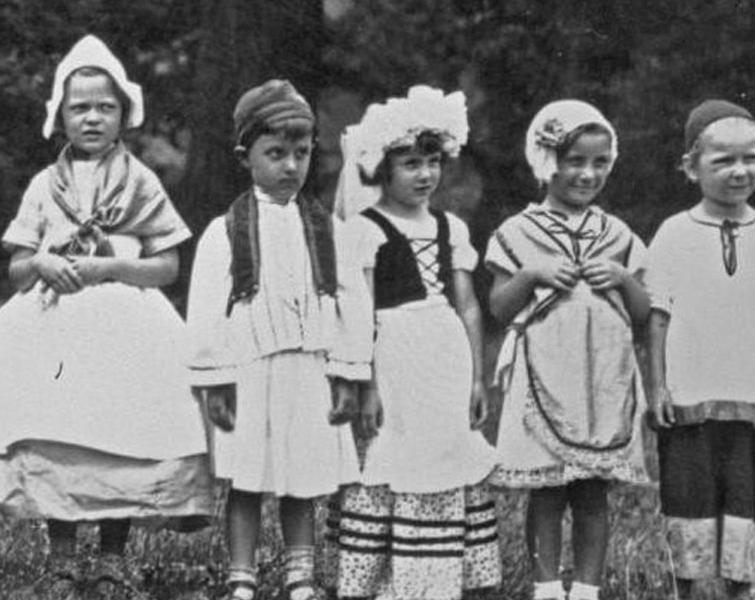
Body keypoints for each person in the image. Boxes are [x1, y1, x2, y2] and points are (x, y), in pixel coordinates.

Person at [0, 34, 215, 591]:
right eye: (80, 108)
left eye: (105, 107)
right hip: (56, 327)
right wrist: (43, 261)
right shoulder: (46, 186)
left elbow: (167, 266)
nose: (92, 118)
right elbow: (17, 267)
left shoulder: (140, 181)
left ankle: (113, 554)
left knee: (120, 430)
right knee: (57, 428)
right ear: (59, 116)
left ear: (125, 114)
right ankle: (63, 554)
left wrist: (108, 268)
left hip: (126, 328)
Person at [184, 79, 358, 600]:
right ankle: (242, 575)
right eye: (276, 153)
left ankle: (300, 575)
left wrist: (346, 373)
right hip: (249, 372)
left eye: (301, 154)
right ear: (246, 157)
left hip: (307, 370)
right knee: (247, 479)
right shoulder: (226, 231)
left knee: (301, 479)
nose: (291, 166)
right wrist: (215, 382)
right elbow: (206, 308)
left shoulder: (327, 230)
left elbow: (351, 301)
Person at [327, 85, 500, 599]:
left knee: (444, 451)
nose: (425, 174)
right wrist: (368, 385)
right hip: (394, 356)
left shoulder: (451, 228)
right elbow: (360, 312)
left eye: (432, 161)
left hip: (444, 355)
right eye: (410, 163)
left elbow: (468, 305)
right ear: (382, 168)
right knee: (395, 453)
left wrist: (477, 378)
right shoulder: (365, 229)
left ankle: (440, 578)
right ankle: (384, 578)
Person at [646, 100, 755, 600]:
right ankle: (688, 588)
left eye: (750, 158)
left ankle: (740, 589)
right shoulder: (674, 233)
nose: (740, 171)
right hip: (690, 392)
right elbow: (657, 316)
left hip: (752, 389)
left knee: (745, 491)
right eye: (723, 161)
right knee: (687, 490)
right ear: (691, 167)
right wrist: (658, 387)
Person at [485, 100, 651, 600]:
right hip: (546, 369)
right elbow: (499, 307)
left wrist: (622, 278)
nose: (587, 174)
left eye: (599, 162)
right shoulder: (518, 231)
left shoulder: (617, 234)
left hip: (601, 377)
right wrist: (531, 274)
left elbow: (643, 313)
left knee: (593, 490)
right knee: (548, 488)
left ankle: (585, 588)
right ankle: (545, 586)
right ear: (546, 160)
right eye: (575, 161)